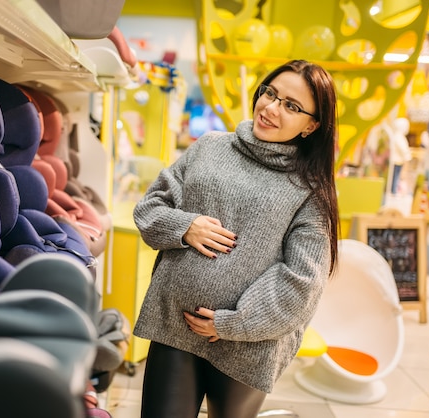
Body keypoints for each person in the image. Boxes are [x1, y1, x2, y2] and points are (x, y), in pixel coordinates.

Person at [132, 59, 339, 418]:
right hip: (174, 324)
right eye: (270, 93)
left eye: (291, 106)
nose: (271, 108)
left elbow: (303, 281)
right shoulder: (210, 147)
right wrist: (185, 225)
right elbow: (150, 207)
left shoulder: (310, 191)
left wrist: (233, 322)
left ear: (311, 126)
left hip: (249, 346)